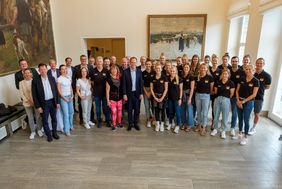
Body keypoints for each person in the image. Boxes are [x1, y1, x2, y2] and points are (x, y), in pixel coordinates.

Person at [32, 63, 60, 142]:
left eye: (44, 69)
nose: (43, 71)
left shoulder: (52, 78)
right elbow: (34, 95)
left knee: (54, 118)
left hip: (52, 102)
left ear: (47, 69)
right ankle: (49, 135)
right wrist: (38, 106)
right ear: (39, 71)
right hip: (43, 104)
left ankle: (54, 133)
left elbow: (56, 91)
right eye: (41, 69)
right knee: (45, 120)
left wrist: (57, 102)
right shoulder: (35, 80)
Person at [236, 64, 259, 145]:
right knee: (240, 118)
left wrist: (243, 102)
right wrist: (238, 100)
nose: (248, 70)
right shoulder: (241, 79)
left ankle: (245, 136)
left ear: (253, 70)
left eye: (250, 69)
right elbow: (237, 91)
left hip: (248, 103)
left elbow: (254, 94)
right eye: (246, 69)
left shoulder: (256, 81)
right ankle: (240, 133)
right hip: (240, 101)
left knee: (246, 119)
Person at [250, 58, 272, 135]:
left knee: (256, 113)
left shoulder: (267, 76)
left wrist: (259, 90)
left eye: (261, 63)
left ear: (263, 64)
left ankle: (253, 127)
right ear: (256, 64)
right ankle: (246, 126)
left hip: (259, 98)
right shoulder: (252, 73)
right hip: (249, 97)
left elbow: (267, 87)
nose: (259, 65)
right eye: (258, 63)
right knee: (247, 112)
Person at [19, 68, 43, 139]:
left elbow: (37, 92)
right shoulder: (21, 83)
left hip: (36, 103)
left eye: (28, 73)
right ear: (23, 74)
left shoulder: (35, 81)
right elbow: (21, 94)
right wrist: (28, 101)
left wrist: (34, 101)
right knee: (30, 117)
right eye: (25, 73)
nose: (27, 74)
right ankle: (32, 131)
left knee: (38, 116)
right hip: (27, 103)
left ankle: (39, 129)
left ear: (31, 74)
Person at [211, 69, 235, 139]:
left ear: (228, 75)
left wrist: (225, 99)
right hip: (217, 99)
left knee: (225, 116)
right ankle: (215, 129)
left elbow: (231, 94)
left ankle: (223, 131)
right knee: (216, 115)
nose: (224, 75)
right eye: (223, 74)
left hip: (226, 100)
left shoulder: (231, 83)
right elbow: (215, 92)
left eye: (226, 74)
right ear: (221, 75)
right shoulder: (218, 82)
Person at [122, 57, 143, 131]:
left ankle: (136, 123)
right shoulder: (125, 72)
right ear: (129, 63)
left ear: (136, 63)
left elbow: (141, 83)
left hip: (137, 94)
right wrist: (124, 94)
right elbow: (123, 84)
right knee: (129, 109)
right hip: (129, 94)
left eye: (135, 62)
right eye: (132, 62)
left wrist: (141, 93)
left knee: (137, 109)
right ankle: (130, 124)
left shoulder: (139, 71)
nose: (133, 63)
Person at [91, 56, 111, 128]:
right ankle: (99, 121)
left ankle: (108, 120)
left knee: (106, 108)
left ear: (102, 62)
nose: (99, 63)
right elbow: (92, 81)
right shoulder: (93, 71)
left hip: (105, 93)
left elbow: (109, 82)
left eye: (100, 61)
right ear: (96, 62)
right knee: (98, 108)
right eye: (98, 61)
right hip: (97, 94)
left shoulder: (106, 71)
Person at [194, 63, 214, 136]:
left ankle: (204, 127)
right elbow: (195, 86)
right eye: (201, 68)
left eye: (204, 68)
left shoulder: (210, 77)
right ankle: (199, 125)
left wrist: (208, 93)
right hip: (198, 95)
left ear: (206, 69)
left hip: (206, 96)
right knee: (198, 112)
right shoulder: (197, 77)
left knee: (205, 113)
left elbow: (211, 88)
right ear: (199, 69)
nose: (203, 69)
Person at [74, 55, 95, 124]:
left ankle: (89, 120)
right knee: (82, 107)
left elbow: (92, 78)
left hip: (89, 93)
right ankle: (82, 120)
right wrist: (79, 94)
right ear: (80, 59)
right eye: (82, 59)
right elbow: (74, 79)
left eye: (85, 59)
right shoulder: (76, 68)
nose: (83, 60)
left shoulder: (90, 67)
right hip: (81, 92)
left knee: (89, 108)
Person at [47, 59, 64, 132]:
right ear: (49, 65)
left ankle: (61, 125)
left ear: (56, 64)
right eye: (51, 64)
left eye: (54, 63)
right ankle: (53, 126)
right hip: (52, 93)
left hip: (61, 92)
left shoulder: (59, 71)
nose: (53, 65)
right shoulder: (47, 72)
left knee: (61, 109)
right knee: (54, 110)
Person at [229, 56, 245, 137]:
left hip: (236, 96)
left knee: (234, 113)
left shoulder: (242, 72)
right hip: (226, 95)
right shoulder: (228, 70)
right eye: (233, 61)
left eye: (236, 61)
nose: (234, 62)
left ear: (238, 62)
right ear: (231, 62)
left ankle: (232, 128)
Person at [150, 62, 168, 132]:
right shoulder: (152, 77)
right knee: (156, 110)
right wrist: (155, 97)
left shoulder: (164, 77)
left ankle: (162, 124)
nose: (158, 69)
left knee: (162, 110)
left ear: (161, 69)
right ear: (155, 69)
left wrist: (162, 97)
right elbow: (151, 88)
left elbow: (166, 89)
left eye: (159, 68)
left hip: (163, 96)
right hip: (155, 96)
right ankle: (157, 124)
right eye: (156, 68)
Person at [57, 65, 74, 136]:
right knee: (66, 114)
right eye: (62, 69)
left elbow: (70, 87)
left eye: (65, 69)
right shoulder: (59, 79)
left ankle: (71, 125)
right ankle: (66, 129)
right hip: (63, 98)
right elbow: (59, 90)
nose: (64, 70)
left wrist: (72, 95)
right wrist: (64, 98)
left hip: (70, 97)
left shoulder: (69, 77)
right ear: (60, 71)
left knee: (71, 112)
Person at [106, 65, 123, 131]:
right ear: (111, 71)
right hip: (112, 99)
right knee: (113, 112)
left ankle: (119, 123)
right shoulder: (109, 79)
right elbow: (107, 91)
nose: (114, 71)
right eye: (112, 69)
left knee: (119, 111)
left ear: (117, 70)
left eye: (115, 69)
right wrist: (108, 101)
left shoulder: (120, 78)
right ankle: (113, 124)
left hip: (120, 98)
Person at [167, 66, 183, 134]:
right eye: (171, 71)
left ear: (176, 71)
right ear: (170, 71)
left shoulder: (179, 79)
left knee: (178, 113)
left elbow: (181, 90)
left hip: (177, 99)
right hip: (169, 99)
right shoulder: (167, 78)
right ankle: (170, 123)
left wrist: (180, 99)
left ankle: (177, 125)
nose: (172, 72)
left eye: (174, 71)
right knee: (170, 112)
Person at [180, 63, 195, 132]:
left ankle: (189, 124)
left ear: (189, 68)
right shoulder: (181, 76)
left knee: (189, 110)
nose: (186, 68)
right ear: (183, 68)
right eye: (185, 67)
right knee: (182, 110)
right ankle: (183, 123)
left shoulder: (191, 77)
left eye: (187, 67)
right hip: (182, 95)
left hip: (189, 95)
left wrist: (190, 98)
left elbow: (192, 88)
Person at [209, 54, 221, 129]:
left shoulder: (220, 71)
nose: (214, 62)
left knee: (214, 107)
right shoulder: (208, 69)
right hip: (207, 91)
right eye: (213, 60)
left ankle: (214, 121)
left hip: (215, 92)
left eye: (216, 61)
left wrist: (214, 91)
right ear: (211, 61)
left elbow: (220, 82)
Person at [142, 59, 155, 128]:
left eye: (149, 64)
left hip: (153, 90)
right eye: (147, 64)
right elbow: (142, 84)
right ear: (145, 65)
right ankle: (148, 120)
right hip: (145, 90)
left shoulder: (154, 72)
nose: (148, 65)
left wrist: (150, 91)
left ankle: (153, 118)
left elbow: (155, 83)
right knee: (147, 106)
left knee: (153, 106)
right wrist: (146, 92)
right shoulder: (143, 73)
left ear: (151, 65)